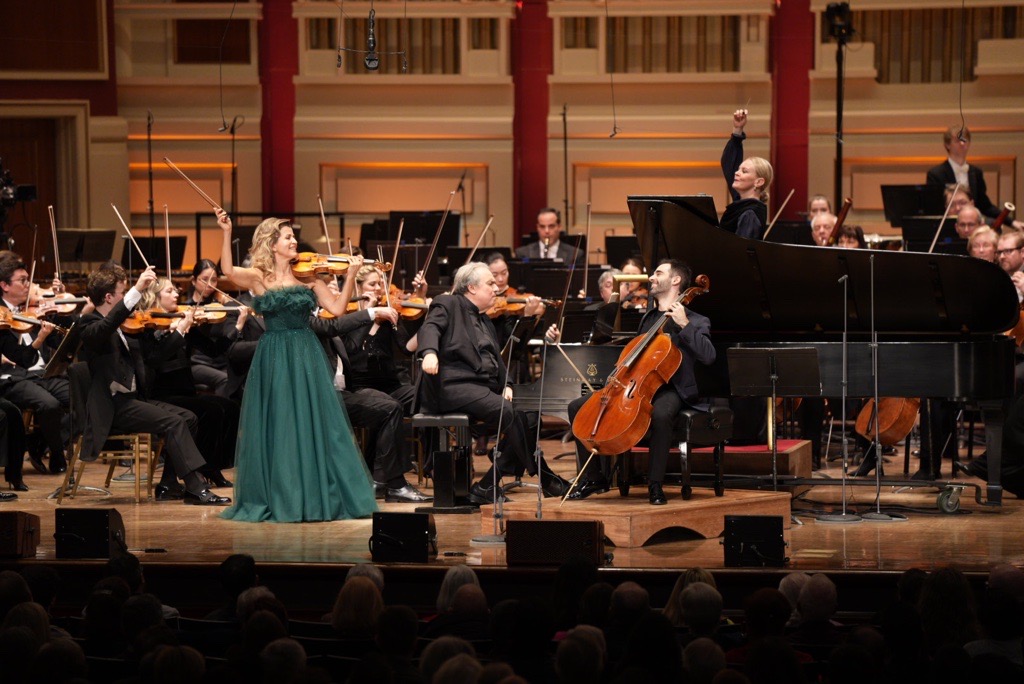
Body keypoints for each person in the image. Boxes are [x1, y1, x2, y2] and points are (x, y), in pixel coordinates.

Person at [216, 210, 377, 522]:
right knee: (280, 423)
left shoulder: (309, 276)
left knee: (311, 422)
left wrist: (350, 277)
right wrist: (226, 231)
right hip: (274, 354)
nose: (294, 241)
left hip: (305, 352)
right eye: (288, 237)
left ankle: (314, 494)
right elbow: (226, 269)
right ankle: (283, 495)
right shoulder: (259, 277)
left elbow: (336, 309)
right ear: (272, 244)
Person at [565, 259, 716, 505]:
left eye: (658, 273)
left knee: (660, 416)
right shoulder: (648, 319)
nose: (651, 278)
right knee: (577, 407)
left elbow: (709, 356)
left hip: (672, 387)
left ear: (675, 280)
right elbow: (635, 356)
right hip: (635, 385)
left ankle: (655, 484)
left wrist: (684, 324)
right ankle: (594, 478)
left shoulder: (696, 320)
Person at [417, 262, 570, 503]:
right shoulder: (448, 303)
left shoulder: (485, 319)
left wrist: (507, 384)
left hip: (481, 388)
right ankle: (545, 476)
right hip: (451, 386)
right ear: (471, 287)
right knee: (508, 412)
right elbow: (430, 328)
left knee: (530, 416)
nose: (496, 287)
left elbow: (497, 360)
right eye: (490, 283)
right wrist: (429, 353)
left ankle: (488, 485)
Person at [77, 264, 229, 505]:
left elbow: (153, 358)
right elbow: (105, 328)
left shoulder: (128, 325)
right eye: (122, 293)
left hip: (135, 400)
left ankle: (169, 483)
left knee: (188, 418)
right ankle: (195, 487)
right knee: (174, 422)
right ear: (109, 297)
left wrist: (175, 332)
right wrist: (138, 289)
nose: (129, 300)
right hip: (113, 407)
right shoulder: (89, 325)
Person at [315, 267, 432, 504]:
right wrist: (369, 316)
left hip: (391, 384)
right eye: (372, 284)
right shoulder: (344, 320)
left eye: (380, 284)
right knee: (387, 407)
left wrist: (429, 320)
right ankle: (386, 480)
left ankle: (424, 467)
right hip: (361, 385)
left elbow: (407, 349)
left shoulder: (388, 316)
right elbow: (350, 351)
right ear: (357, 289)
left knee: (428, 395)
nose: (378, 289)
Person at [137, 277, 241, 493]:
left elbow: (213, 350)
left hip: (185, 393)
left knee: (230, 408)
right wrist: (178, 331)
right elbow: (154, 359)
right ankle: (182, 476)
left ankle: (212, 466)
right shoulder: (147, 326)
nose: (176, 294)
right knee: (209, 411)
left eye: (175, 290)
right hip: (161, 395)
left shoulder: (183, 321)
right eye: (169, 291)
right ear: (155, 297)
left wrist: (237, 326)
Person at [0, 254, 72, 480]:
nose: (28, 286)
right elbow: (22, 358)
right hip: (11, 377)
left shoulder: (30, 310)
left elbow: (59, 345)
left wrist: (58, 314)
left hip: (41, 375)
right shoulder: (3, 315)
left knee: (82, 396)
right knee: (49, 405)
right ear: (4, 285)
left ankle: (40, 442)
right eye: (22, 280)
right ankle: (58, 453)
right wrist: (38, 338)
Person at [183, 259, 235, 397]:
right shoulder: (186, 307)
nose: (210, 285)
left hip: (220, 362)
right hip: (198, 363)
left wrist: (228, 305)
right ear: (193, 281)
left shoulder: (220, 305)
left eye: (214, 280)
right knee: (224, 380)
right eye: (205, 280)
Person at [926, 125, 1000, 220]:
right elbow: (934, 207)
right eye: (957, 141)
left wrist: (1012, 222)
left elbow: (984, 205)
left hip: (971, 227)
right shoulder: (935, 174)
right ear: (947, 145)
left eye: (964, 140)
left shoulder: (976, 172)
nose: (962, 143)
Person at [720, 109, 773, 239]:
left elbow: (741, 252)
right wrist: (737, 130)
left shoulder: (750, 213)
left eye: (744, 171)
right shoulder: (742, 203)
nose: (736, 173)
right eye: (739, 169)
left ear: (759, 182)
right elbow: (728, 163)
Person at [515, 209, 583, 263]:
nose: (546, 231)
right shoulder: (522, 253)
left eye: (551, 226)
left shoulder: (575, 254)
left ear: (559, 227)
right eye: (542, 226)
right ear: (537, 228)